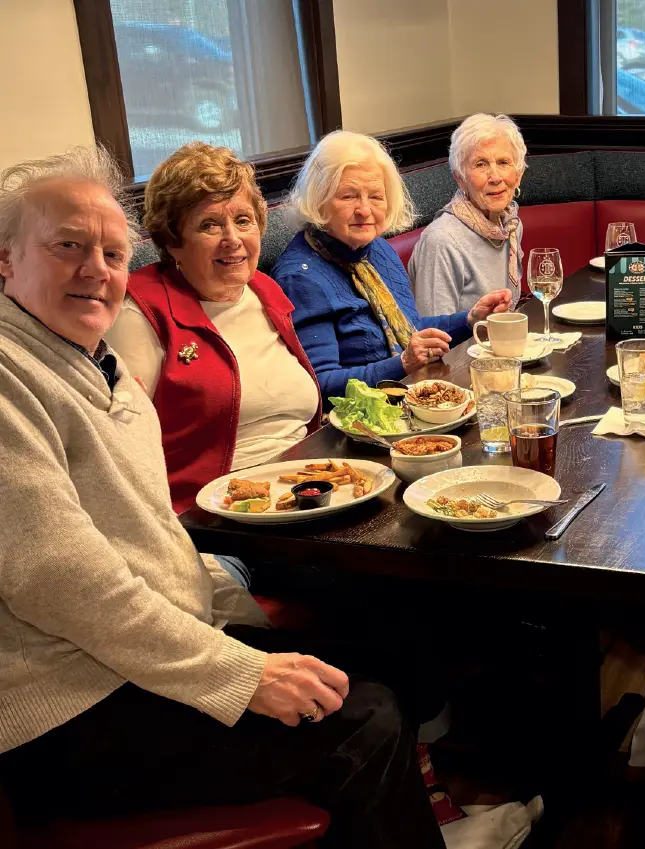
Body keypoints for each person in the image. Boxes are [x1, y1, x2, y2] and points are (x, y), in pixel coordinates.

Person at [0, 147, 445, 849]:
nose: (96, 269)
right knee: (367, 719)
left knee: (374, 666)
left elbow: (134, 533)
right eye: (68, 246)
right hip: (67, 713)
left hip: (128, 659)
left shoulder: (83, 362)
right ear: (5, 261)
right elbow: (60, 579)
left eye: (113, 252)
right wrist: (239, 670)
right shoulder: (11, 380)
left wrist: (220, 621)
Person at [107, 143, 320, 515]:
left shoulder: (263, 289)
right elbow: (121, 447)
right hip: (214, 518)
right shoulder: (141, 311)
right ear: (173, 239)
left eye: (243, 220)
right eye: (209, 225)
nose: (232, 239)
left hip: (306, 488)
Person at [273, 130, 511, 400]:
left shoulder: (376, 250)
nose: (364, 210)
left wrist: (470, 320)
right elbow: (319, 384)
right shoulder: (300, 277)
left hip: (409, 400)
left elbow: (410, 328)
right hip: (355, 424)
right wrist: (402, 364)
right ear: (319, 199)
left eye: (375, 196)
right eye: (348, 196)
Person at [410, 113, 527, 315]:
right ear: (460, 179)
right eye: (481, 164)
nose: (495, 177)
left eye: (503, 162)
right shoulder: (442, 241)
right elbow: (435, 338)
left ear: (518, 175)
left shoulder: (510, 225)